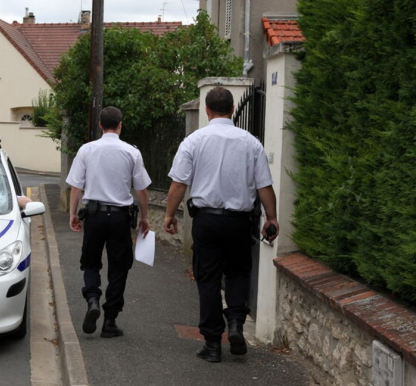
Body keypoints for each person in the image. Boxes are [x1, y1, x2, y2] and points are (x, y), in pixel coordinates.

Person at [163, 87, 279, 362]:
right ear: (233, 108)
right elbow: (264, 186)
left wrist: (169, 215)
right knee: (239, 272)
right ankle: (236, 323)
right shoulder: (251, 143)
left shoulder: (194, 140)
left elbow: (179, 184)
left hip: (206, 220)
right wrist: (271, 217)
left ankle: (213, 343)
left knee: (208, 279)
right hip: (239, 221)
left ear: (206, 109)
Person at [66, 106, 151, 338]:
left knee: (91, 263)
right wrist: (144, 217)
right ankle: (110, 321)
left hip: (94, 216)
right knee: (119, 268)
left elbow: (76, 186)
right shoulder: (132, 152)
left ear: (101, 125)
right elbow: (141, 189)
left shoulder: (86, 150)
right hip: (120, 218)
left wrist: (73, 214)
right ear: (120, 125)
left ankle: (92, 298)